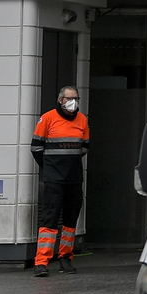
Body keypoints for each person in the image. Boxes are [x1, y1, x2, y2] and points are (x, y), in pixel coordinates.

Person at [29, 86, 90, 278]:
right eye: (70, 98)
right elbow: (36, 148)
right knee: (50, 218)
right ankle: (41, 262)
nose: (73, 102)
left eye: (76, 98)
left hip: (74, 177)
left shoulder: (82, 119)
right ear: (61, 100)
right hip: (54, 178)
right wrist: (49, 168)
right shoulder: (47, 118)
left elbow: (85, 146)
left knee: (71, 219)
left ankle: (66, 258)